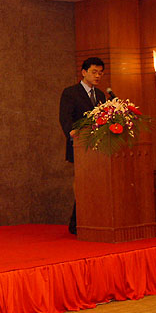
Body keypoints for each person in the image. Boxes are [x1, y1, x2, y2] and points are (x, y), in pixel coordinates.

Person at [59, 57, 106, 234]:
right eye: (94, 72)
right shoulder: (70, 92)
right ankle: (78, 220)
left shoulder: (100, 95)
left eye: (100, 73)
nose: (98, 76)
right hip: (79, 146)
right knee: (82, 183)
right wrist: (72, 132)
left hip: (98, 149)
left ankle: (85, 220)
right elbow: (65, 117)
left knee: (95, 184)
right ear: (84, 72)